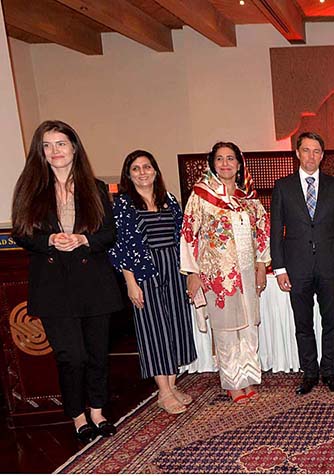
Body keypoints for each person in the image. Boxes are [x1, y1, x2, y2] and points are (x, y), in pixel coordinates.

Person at [11, 120, 123, 443]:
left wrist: (84, 240)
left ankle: (99, 412)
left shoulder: (97, 187)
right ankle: (78, 415)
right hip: (53, 287)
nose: (55, 151)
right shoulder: (30, 188)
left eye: (61, 143)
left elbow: (108, 234)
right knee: (72, 355)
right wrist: (50, 240)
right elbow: (22, 232)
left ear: (74, 147)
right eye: (47, 146)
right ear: (41, 153)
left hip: (93, 284)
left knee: (97, 353)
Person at [108, 150, 197, 414]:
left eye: (147, 167)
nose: (142, 172)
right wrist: (130, 283)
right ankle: (164, 392)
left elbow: (184, 237)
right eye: (136, 168)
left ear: (156, 171)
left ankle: (172, 384)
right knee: (154, 329)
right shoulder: (124, 204)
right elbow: (120, 247)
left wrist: (190, 272)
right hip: (145, 273)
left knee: (176, 326)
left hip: (174, 268)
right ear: (128, 175)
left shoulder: (168, 199)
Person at [180, 141, 270, 402]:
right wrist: (192, 272)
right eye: (220, 159)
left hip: (246, 273)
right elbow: (188, 235)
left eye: (230, 158)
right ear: (213, 163)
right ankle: (232, 382)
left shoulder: (248, 199)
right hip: (218, 275)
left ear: (239, 163)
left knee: (248, 327)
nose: (226, 164)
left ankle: (249, 376)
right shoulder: (201, 196)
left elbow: (262, 232)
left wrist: (262, 264)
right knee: (226, 329)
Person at [270, 132, 334, 395]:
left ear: (322, 155)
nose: (311, 156)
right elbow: (276, 231)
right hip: (296, 267)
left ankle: (329, 372)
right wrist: (280, 268)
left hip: (329, 266)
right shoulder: (282, 187)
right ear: (297, 153)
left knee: (331, 323)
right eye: (306, 150)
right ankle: (309, 373)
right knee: (303, 324)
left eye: (317, 151)